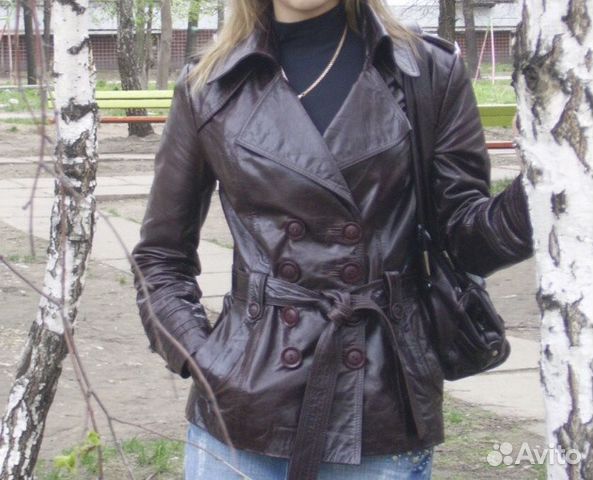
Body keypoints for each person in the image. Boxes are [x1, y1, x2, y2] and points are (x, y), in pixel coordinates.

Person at [131, 0, 533, 478]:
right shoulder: (210, 84)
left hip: (380, 399)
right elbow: (161, 255)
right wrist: (200, 358)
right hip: (240, 406)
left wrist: (549, 183)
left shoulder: (424, 71)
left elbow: (465, 241)